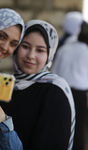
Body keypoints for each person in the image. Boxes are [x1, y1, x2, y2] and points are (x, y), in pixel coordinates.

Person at [0, 20, 75, 150]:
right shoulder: (6, 85)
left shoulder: (54, 91)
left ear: (49, 55)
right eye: (25, 46)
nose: (31, 55)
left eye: (40, 50)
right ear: (17, 48)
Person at [51, 21, 88, 150]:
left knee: (62, 124)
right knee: (78, 127)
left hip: (62, 91)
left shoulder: (64, 48)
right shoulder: (86, 51)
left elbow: (54, 72)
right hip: (80, 95)